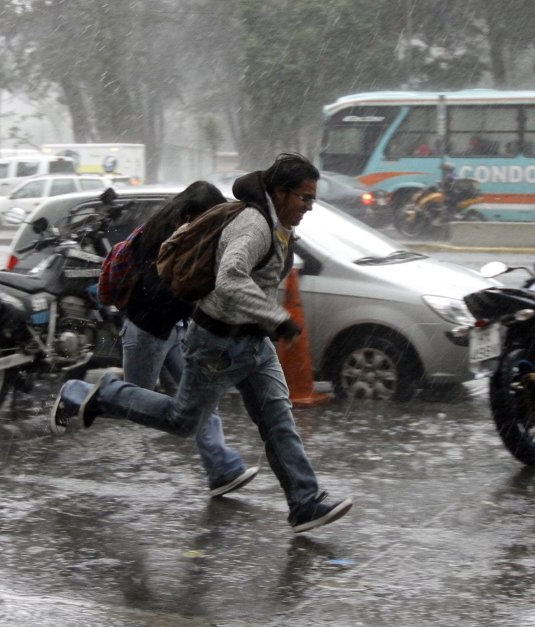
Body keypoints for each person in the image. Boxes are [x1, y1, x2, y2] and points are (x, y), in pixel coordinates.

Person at [51, 153, 353, 534]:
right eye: (304, 198)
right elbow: (230, 279)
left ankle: (304, 502)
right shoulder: (254, 226)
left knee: (279, 421)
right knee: (182, 420)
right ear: (279, 192)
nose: (309, 206)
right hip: (218, 343)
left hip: (253, 343)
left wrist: (266, 321)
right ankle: (98, 393)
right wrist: (276, 317)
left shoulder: (278, 224)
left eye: (312, 199)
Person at [118, 181, 260, 498]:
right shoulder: (160, 238)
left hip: (177, 330)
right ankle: (80, 393)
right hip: (147, 333)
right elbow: (158, 294)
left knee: (201, 396)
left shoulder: (186, 236)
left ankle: (222, 469)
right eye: (208, 218)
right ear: (189, 215)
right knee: (134, 403)